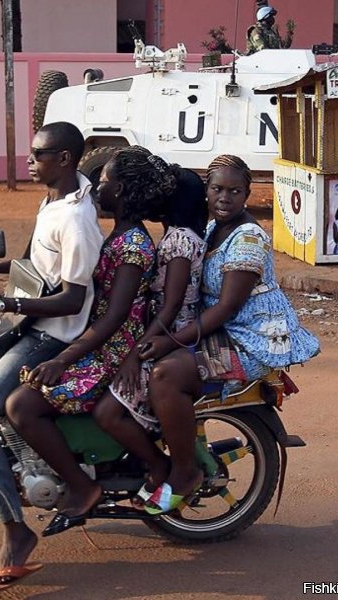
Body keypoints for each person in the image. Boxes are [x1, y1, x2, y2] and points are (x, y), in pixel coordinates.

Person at [102, 154, 320, 516]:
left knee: (166, 375)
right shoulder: (210, 229)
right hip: (219, 331)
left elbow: (227, 309)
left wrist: (171, 340)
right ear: (207, 190)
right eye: (218, 189)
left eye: (235, 191)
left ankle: (184, 471)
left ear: (249, 194)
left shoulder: (248, 237)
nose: (225, 198)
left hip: (248, 338)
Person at [0, 121, 105, 592]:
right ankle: (8, 472)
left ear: (63, 160)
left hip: (52, 335)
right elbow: (39, 259)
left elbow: (71, 300)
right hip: (32, 323)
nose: (30, 160)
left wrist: (9, 303)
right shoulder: (55, 199)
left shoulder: (78, 220)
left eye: (38, 154)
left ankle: (17, 531)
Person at [5, 147, 174, 537]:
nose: (97, 187)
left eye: (105, 182)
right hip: (97, 339)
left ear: (125, 192)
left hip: (113, 348)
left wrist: (64, 359)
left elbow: (115, 318)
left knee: (22, 405)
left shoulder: (133, 246)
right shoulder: (115, 234)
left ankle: (88, 485)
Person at [94, 165, 208, 497]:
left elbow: (171, 305)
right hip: (161, 333)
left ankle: (164, 467)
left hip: (167, 338)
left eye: (164, 191)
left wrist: (134, 354)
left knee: (107, 413)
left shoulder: (179, 240)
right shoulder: (174, 236)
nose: (154, 194)